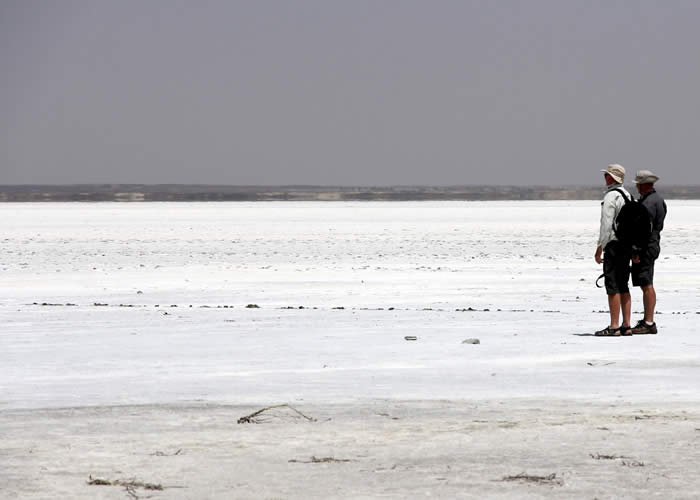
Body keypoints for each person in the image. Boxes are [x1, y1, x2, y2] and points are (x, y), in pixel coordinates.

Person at [594, 164, 632, 336]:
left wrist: (599, 247)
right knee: (624, 285)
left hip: (614, 246)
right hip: (627, 246)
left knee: (613, 286)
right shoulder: (628, 195)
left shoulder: (611, 197)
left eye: (607, 175)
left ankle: (614, 326)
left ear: (613, 178)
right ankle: (626, 325)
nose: (605, 178)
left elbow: (606, 224)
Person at [630, 170, 667, 334]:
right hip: (653, 244)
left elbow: (644, 229)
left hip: (646, 246)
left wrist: (636, 251)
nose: (636, 186)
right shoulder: (659, 200)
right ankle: (648, 320)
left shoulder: (648, 203)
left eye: (638, 183)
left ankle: (649, 322)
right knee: (647, 282)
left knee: (646, 283)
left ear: (643, 185)